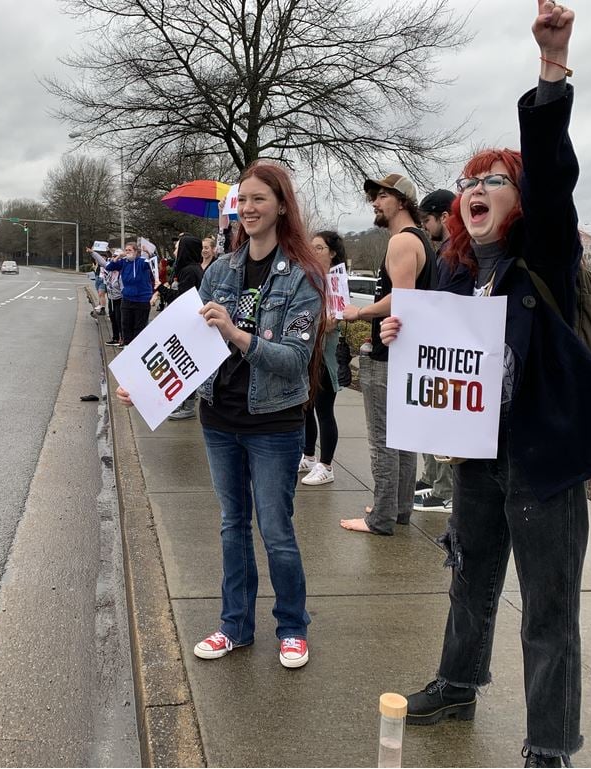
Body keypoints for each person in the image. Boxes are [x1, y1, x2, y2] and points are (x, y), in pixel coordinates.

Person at [379, 4, 591, 764]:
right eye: (467, 179)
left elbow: (552, 170)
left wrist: (551, 70)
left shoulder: (547, 259)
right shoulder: (459, 271)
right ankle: (457, 680)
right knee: (468, 576)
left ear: (519, 197)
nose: (475, 186)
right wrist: (403, 337)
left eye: (493, 178)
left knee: (548, 607)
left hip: (542, 463)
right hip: (475, 457)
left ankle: (549, 743)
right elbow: (438, 359)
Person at [116, 161, 326, 669]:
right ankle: (235, 626)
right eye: (243, 200)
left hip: (274, 423)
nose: (249, 209)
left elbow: (295, 360)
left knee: (276, 531)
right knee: (233, 525)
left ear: (280, 206)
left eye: (259, 199)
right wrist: (144, 387)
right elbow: (181, 340)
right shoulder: (220, 271)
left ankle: (292, 627)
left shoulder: (303, 277)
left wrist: (237, 334)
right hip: (220, 418)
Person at [338, 172, 435, 535]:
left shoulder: (401, 243)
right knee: (404, 438)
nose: (375, 203)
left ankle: (380, 517)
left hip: (389, 354)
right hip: (409, 355)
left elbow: (404, 300)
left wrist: (358, 312)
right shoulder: (422, 240)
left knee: (382, 440)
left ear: (401, 200)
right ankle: (398, 509)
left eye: (381, 196)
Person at [413, 188, 458, 513]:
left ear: (444, 216)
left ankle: (443, 489)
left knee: (441, 423)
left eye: (428, 220)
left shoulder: (454, 253)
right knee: (431, 422)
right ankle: (433, 480)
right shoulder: (446, 251)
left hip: (446, 349)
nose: (425, 227)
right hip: (439, 346)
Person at [298, 230, 345, 485]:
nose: (313, 252)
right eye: (312, 247)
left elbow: (330, 322)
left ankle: (326, 465)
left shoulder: (336, 282)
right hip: (308, 353)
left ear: (333, 252)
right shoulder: (310, 279)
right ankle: (308, 455)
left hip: (326, 355)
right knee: (306, 407)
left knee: (324, 410)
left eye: (320, 248)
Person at [157, 234, 206, 420]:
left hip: (190, 326)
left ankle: (187, 405)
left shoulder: (189, 271)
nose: (175, 251)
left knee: (185, 366)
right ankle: (183, 402)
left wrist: (160, 288)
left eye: (178, 248)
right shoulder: (193, 269)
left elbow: (182, 300)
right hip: (190, 325)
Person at [92, 241, 156, 346]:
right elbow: (109, 267)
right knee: (125, 324)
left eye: (130, 250)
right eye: (126, 250)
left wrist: (149, 253)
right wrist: (118, 257)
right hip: (127, 298)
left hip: (142, 300)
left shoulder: (142, 262)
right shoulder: (124, 262)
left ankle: (137, 347)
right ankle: (127, 345)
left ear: (136, 252)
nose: (127, 252)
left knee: (138, 326)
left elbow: (153, 264)